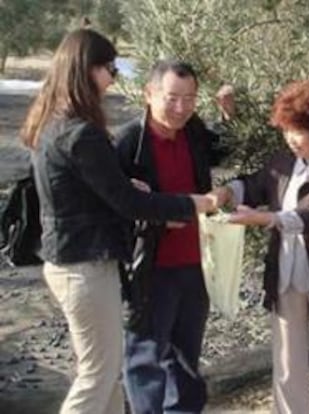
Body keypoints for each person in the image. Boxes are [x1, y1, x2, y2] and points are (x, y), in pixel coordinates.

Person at [20, 29, 216, 414]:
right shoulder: (81, 133)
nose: (113, 77)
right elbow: (126, 204)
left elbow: (87, 189)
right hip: (84, 268)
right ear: (87, 70)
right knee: (97, 376)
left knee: (105, 375)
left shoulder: (56, 124)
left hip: (76, 264)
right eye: (110, 68)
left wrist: (124, 186)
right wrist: (194, 204)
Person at [214, 79, 309, 414]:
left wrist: (266, 220)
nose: (291, 138)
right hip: (285, 276)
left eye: (300, 130)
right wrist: (227, 192)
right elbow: (254, 185)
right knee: (286, 362)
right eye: (287, 129)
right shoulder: (282, 162)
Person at [115, 59, 233, 414]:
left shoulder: (193, 132)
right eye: (171, 98)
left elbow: (224, 148)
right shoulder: (129, 142)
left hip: (195, 263)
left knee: (185, 358)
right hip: (151, 267)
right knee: (145, 359)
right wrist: (157, 219)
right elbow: (113, 206)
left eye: (190, 98)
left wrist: (228, 116)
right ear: (148, 94)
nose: (181, 108)